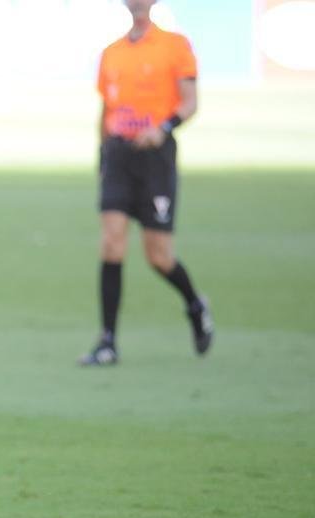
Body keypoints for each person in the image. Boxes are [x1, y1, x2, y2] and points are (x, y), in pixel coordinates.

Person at [80, 0, 213, 366]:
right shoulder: (112, 53)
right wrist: (102, 157)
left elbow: (190, 102)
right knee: (111, 242)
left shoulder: (175, 46)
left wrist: (164, 128)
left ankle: (194, 303)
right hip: (119, 156)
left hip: (155, 158)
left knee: (158, 256)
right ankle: (107, 341)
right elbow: (106, 110)